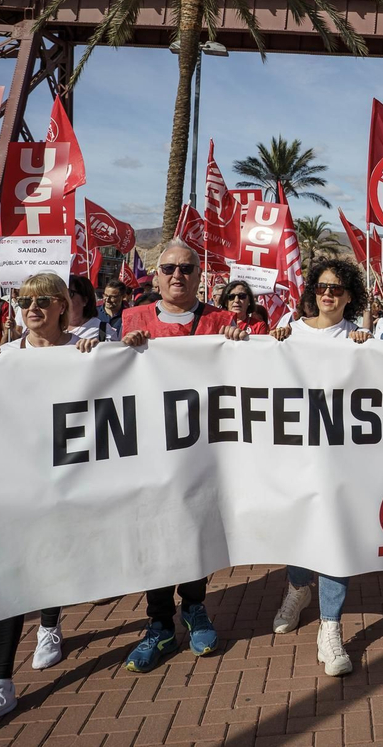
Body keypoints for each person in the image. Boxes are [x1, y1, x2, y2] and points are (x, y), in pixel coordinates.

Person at [0, 272, 99, 734]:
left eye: (42, 300)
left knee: (53, 557)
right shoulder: (3, 357)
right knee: (7, 572)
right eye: (24, 301)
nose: (31, 308)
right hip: (13, 481)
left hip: (69, 478)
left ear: (62, 306)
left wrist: (106, 358)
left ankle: (50, 623)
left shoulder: (87, 350)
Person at [117, 243, 247, 672]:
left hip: (203, 450)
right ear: (156, 276)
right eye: (169, 268)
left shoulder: (222, 321)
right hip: (150, 449)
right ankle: (159, 624)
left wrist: (241, 345)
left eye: (186, 268)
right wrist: (120, 350)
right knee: (155, 531)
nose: (177, 275)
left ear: (199, 275)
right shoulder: (133, 319)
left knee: (195, 527)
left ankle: (194, 606)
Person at [269, 259, 371, 675]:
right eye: (323, 286)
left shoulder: (359, 338)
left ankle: (330, 627)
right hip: (295, 455)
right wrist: (265, 343)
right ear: (313, 290)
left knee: (335, 536)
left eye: (337, 288)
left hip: (342, 459)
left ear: (349, 296)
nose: (328, 294)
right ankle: (298, 587)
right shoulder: (288, 331)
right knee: (299, 529)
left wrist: (370, 347)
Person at [67, 275, 102, 341]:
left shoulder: (102, 330)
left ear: (85, 301)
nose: (65, 299)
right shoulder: (51, 328)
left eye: (69, 293)